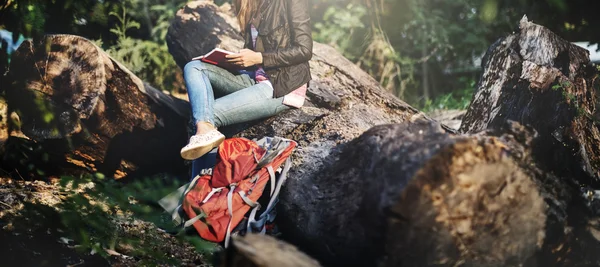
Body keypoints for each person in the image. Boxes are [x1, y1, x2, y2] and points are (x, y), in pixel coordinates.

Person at [180, 0, 312, 160]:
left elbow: (304, 50)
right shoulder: (253, 6)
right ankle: (201, 179)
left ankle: (204, 182)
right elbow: (255, 55)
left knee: (205, 115)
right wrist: (233, 60)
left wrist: (258, 57)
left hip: (283, 85)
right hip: (255, 78)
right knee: (194, 66)